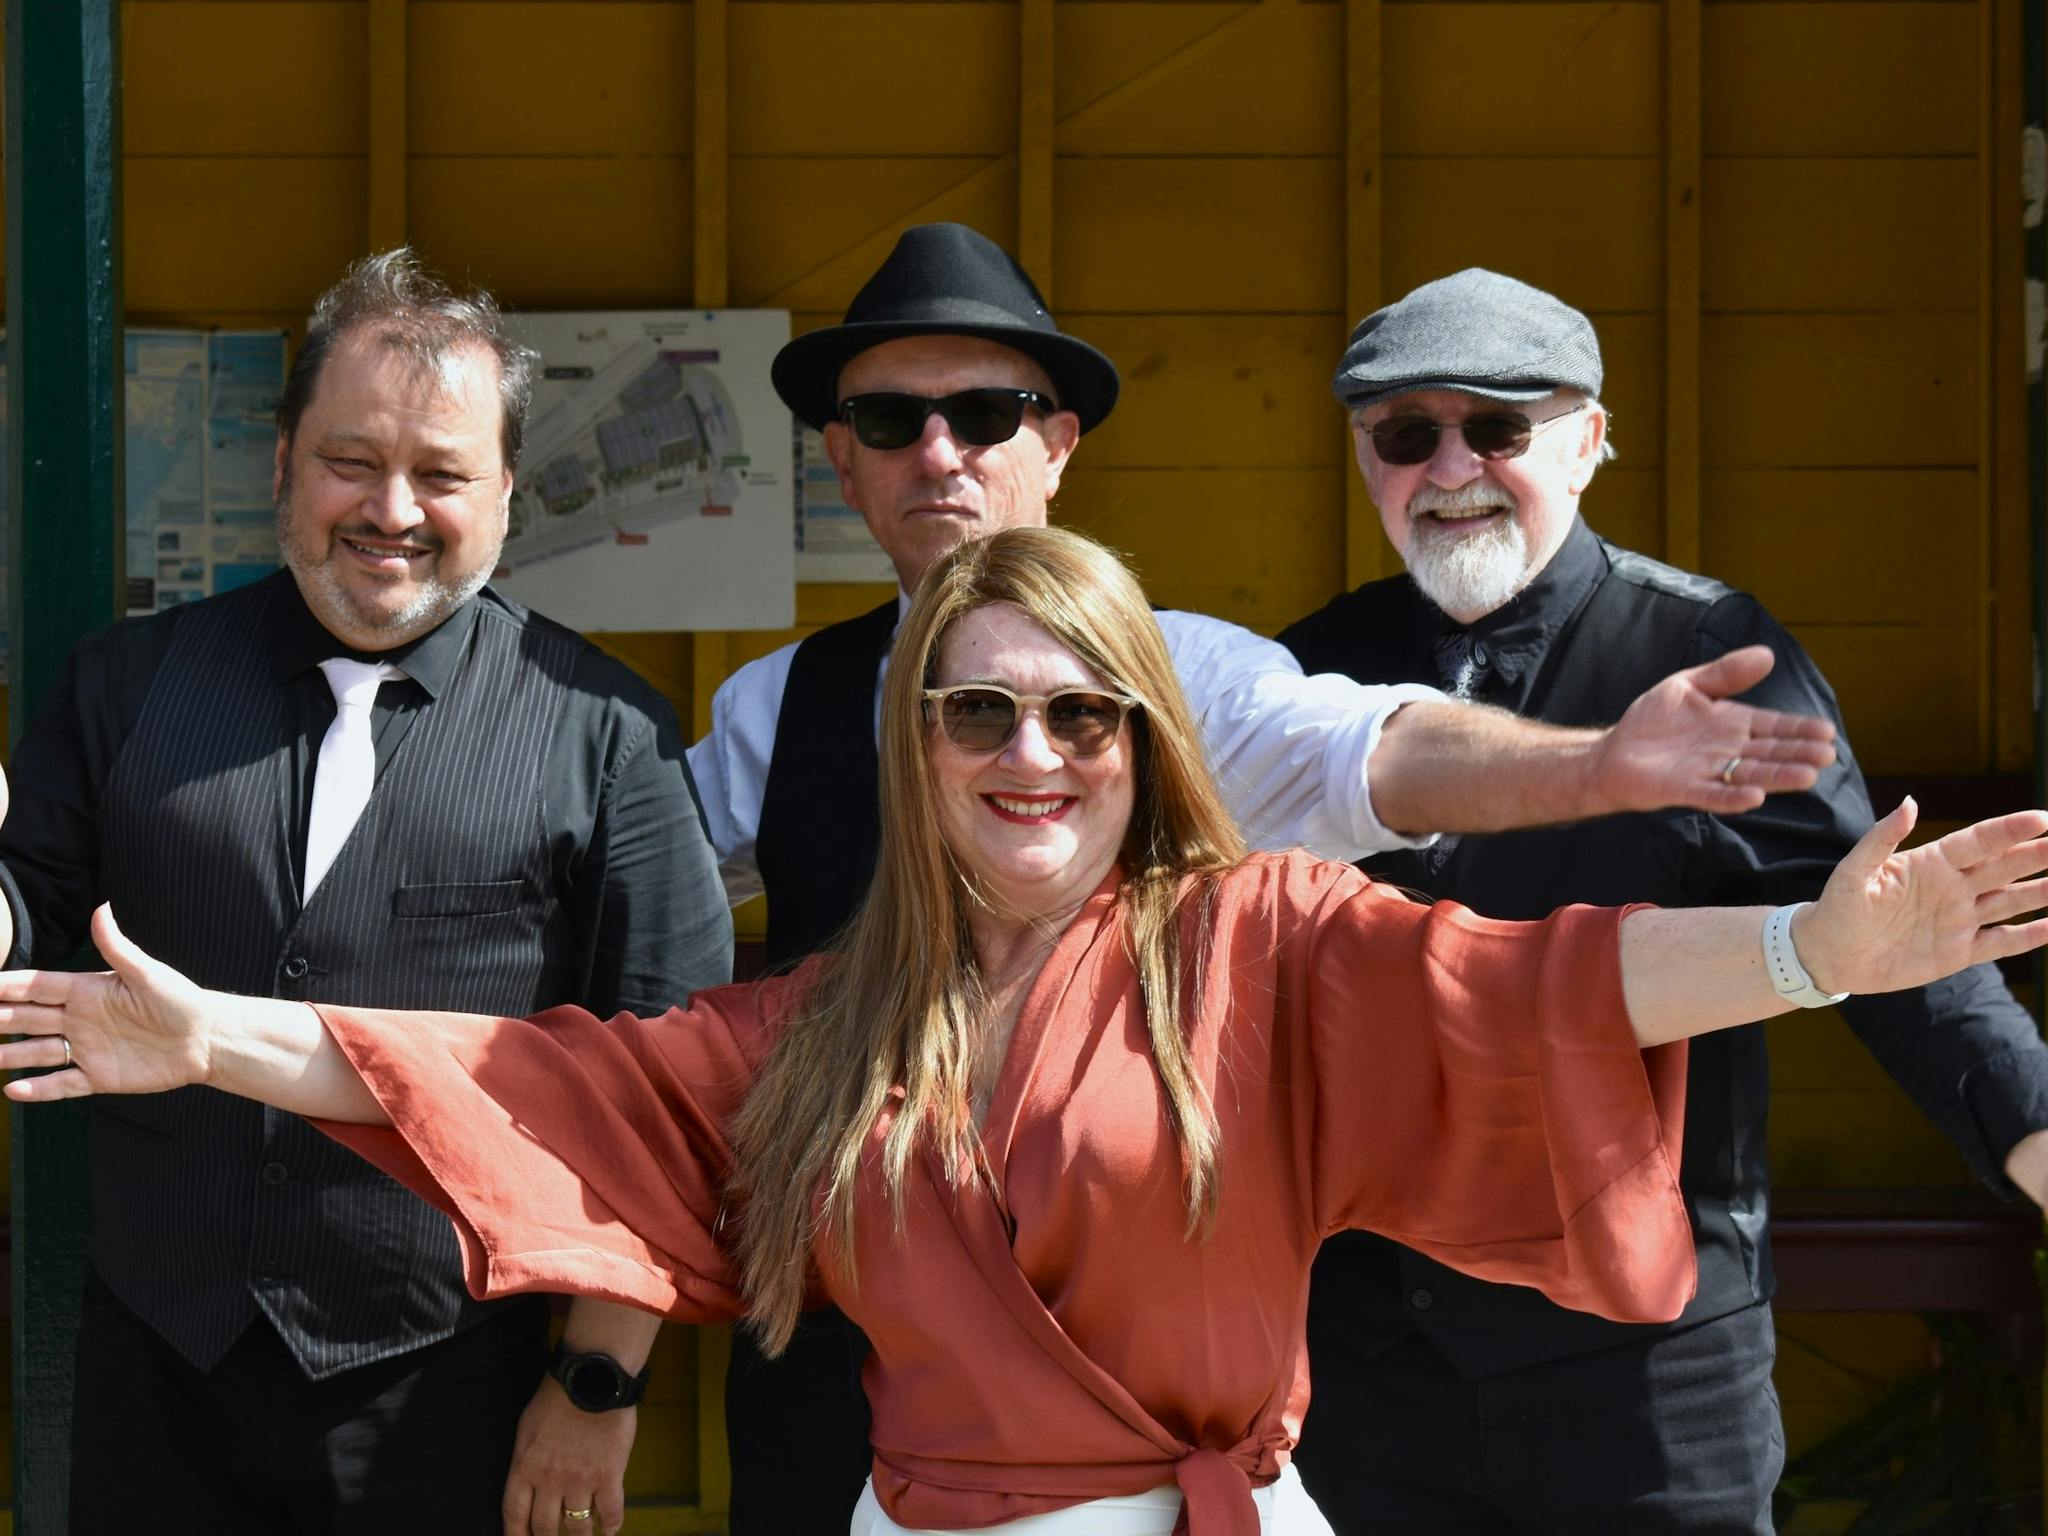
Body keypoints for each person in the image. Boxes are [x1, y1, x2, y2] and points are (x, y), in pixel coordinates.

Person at [5, 526, 2047, 1536]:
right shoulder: (823, 1022)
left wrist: (1810, 951)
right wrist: (209, 1039)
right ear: (918, 751)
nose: (1032, 752)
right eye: (977, 709)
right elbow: (528, 1084)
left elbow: (1546, 988)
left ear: (1141, 739)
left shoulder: (1261, 942)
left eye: (1081, 710)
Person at [683, 222, 1839, 1534]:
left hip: (1126, 1394)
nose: (938, 452)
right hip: (841, 1344)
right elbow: (631, 910)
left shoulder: (1187, 675)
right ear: (843, 458)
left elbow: (1376, 748)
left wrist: (1598, 767)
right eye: (891, 419)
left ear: (1056, 443)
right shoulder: (774, 707)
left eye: (984, 412)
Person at [1275, 267, 2048, 1534]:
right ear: (1365, 460)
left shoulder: (1705, 651)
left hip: (1645, 1360)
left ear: (1587, 441)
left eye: (1500, 427)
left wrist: (2029, 1139)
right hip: (1367, 1345)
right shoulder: (1301, 673)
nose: (1450, 463)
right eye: (1407, 433)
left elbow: (1879, 933)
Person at [0, 249, 731, 1535]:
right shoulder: (121, 686)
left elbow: (670, 1099)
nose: (391, 508)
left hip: (455, 1395)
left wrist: (597, 1383)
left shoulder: (608, 735)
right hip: (157, 1376)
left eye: (441, 473)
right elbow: (25, 913)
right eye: (350, 460)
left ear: (506, 490)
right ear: (282, 463)